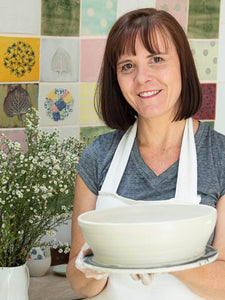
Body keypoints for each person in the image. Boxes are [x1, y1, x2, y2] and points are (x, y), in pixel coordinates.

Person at [66, 8, 225, 300]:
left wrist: (146, 252)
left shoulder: (220, 157)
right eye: (127, 66)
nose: (142, 78)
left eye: (157, 59)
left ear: (183, 66)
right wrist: (95, 266)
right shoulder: (98, 156)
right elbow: (77, 282)